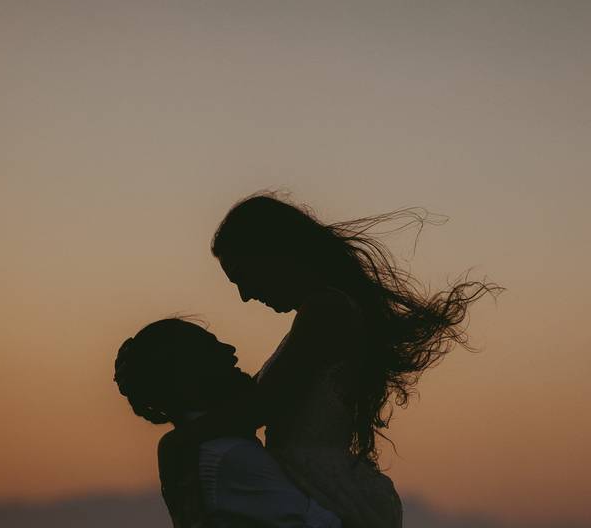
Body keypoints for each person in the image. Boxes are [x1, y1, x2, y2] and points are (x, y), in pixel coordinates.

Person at [197, 192, 502, 528]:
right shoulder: (325, 311)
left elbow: (261, 405)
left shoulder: (326, 311)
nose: (245, 296)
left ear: (273, 255)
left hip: (320, 489)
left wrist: (180, 440)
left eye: (244, 276)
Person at [114, 318, 342, 528]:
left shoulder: (199, 452)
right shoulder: (230, 456)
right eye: (210, 349)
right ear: (188, 379)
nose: (230, 351)